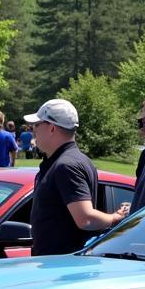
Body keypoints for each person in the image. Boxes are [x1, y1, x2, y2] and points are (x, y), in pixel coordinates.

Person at [25, 98, 128, 255]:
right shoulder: (64, 161)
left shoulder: (67, 165)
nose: (33, 130)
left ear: (52, 128)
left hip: (60, 268)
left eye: (37, 125)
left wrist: (115, 218)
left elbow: (85, 218)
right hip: (54, 264)